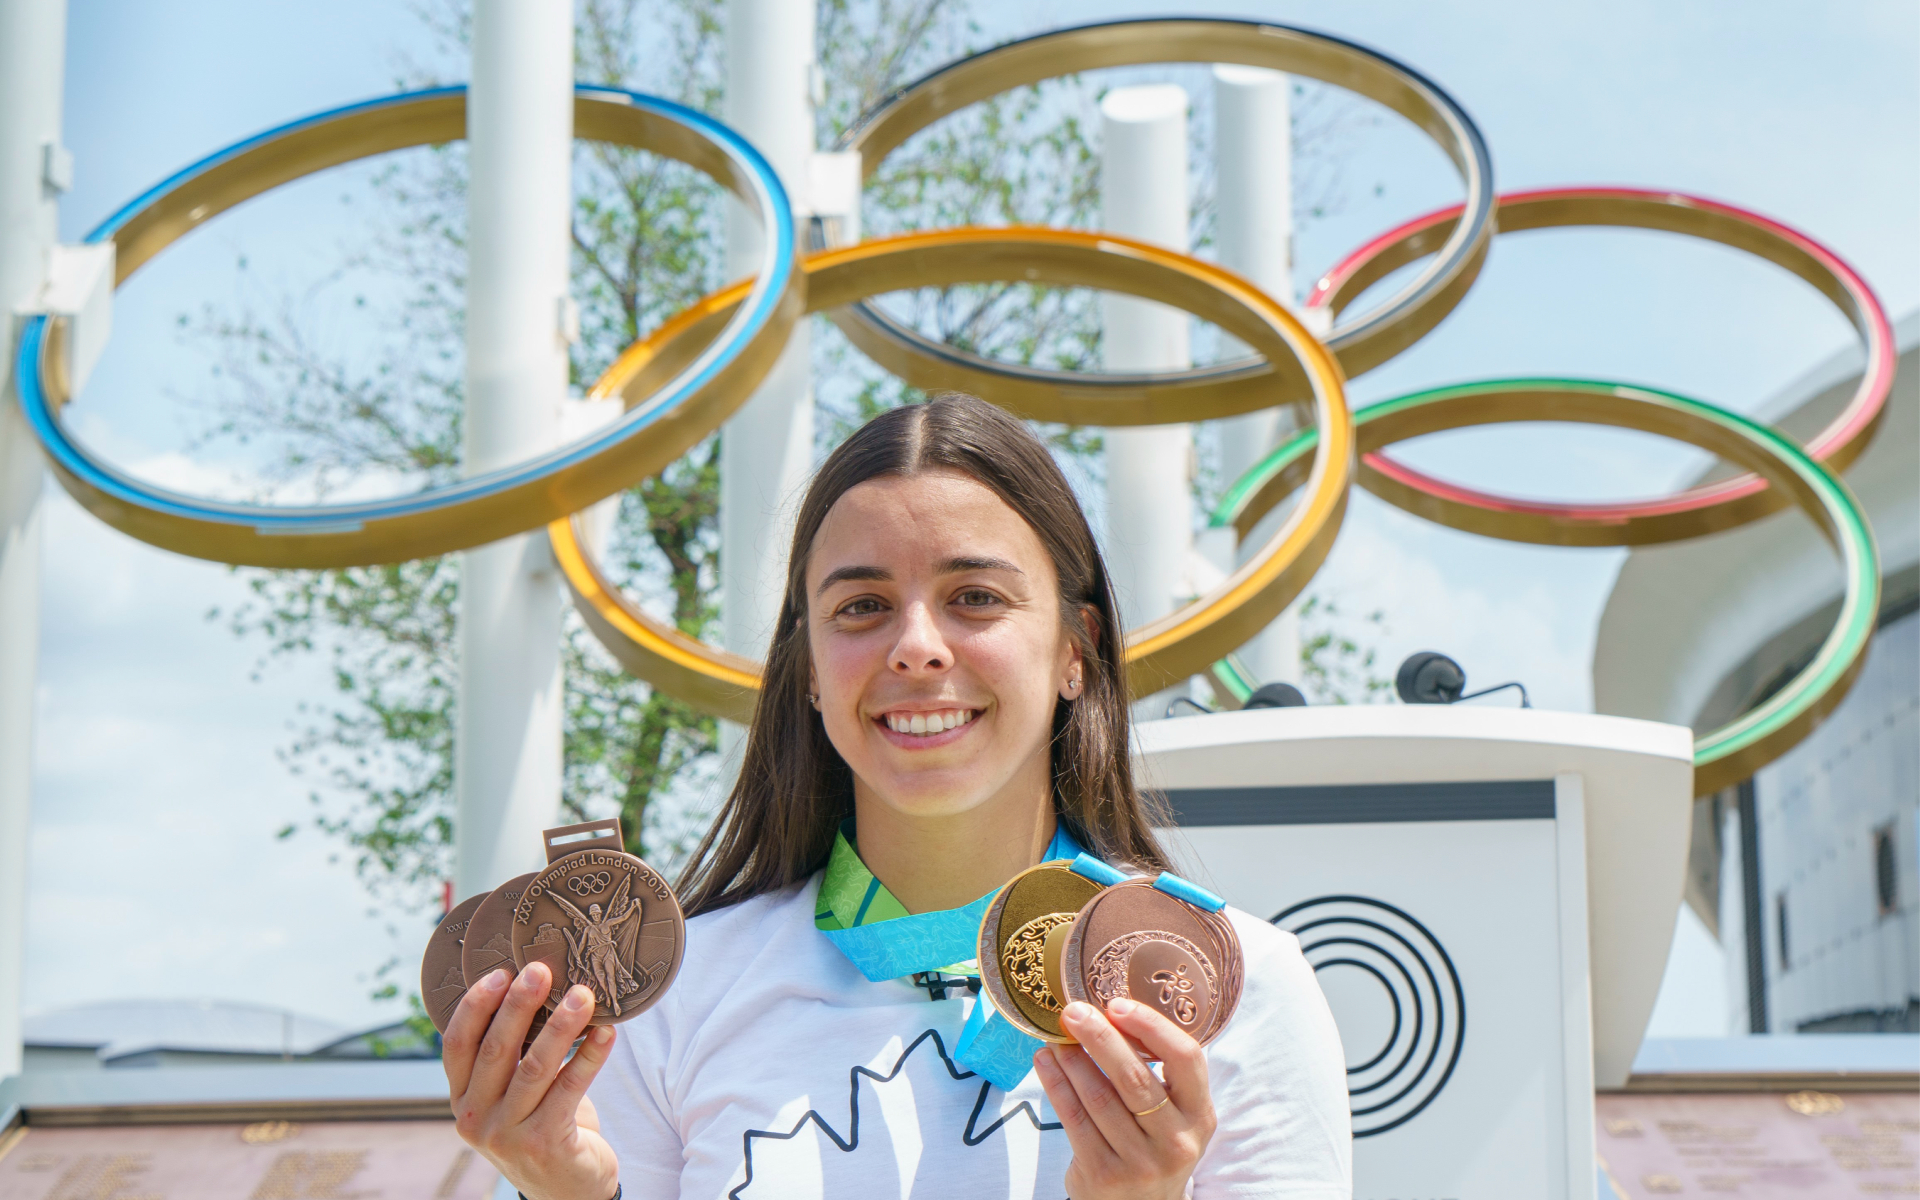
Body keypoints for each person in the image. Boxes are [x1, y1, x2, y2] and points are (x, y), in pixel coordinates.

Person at [442, 393, 1352, 1199]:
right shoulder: (665, 999)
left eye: (975, 597)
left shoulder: (1237, 990)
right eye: (861, 607)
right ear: (804, 670)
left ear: (1077, 648)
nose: (917, 646)